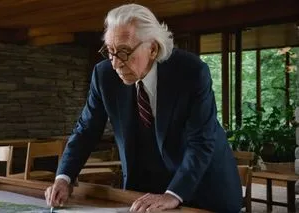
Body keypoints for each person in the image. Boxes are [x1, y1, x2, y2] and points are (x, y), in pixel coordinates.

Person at [44, 3, 242, 213]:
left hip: (203, 189)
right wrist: (64, 177)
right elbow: (86, 131)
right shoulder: (104, 76)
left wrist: (172, 195)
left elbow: (201, 142)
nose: (115, 64)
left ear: (153, 48)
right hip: (145, 190)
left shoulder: (191, 72)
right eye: (110, 51)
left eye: (124, 52)